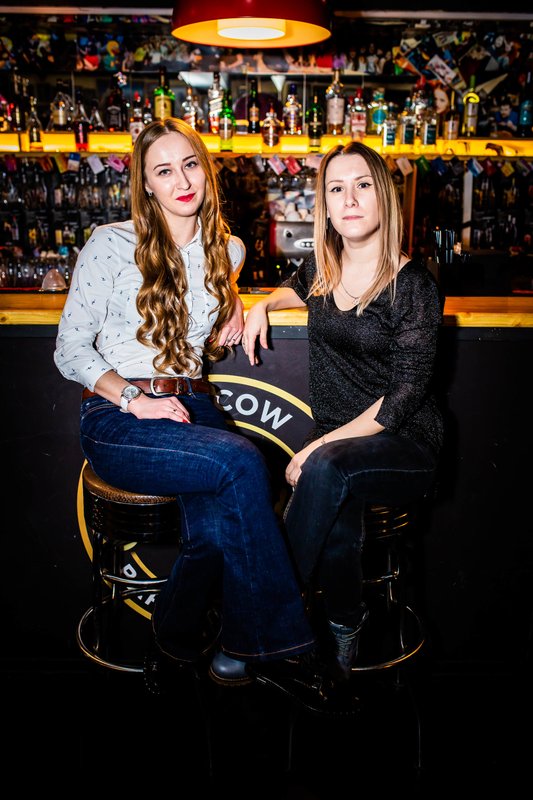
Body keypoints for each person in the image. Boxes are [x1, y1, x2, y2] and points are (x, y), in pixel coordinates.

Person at [54, 118, 320, 701]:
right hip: (118, 415)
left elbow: (208, 312)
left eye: (190, 164)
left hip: (194, 403)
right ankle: (277, 648)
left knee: (218, 530)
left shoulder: (230, 250)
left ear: (206, 169)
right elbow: (69, 349)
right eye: (164, 171)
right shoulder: (110, 243)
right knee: (243, 462)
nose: (181, 181)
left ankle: (172, 640)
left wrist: (242, 304)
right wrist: (135, 400)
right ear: (146, 185)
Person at [243, 141, 443, 681]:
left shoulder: (414, 286)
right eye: (336, 188)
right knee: (335, 507)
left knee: (327, 470)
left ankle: (267, 621)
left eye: (362, 185)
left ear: (384, 197)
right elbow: (292, 288)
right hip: (341, 446)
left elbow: (403, 398)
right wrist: (261, 303)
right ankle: (342, 633)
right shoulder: (323, 268)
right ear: (326, 206)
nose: (349, 198)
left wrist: (318, 447)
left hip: (406, 443)